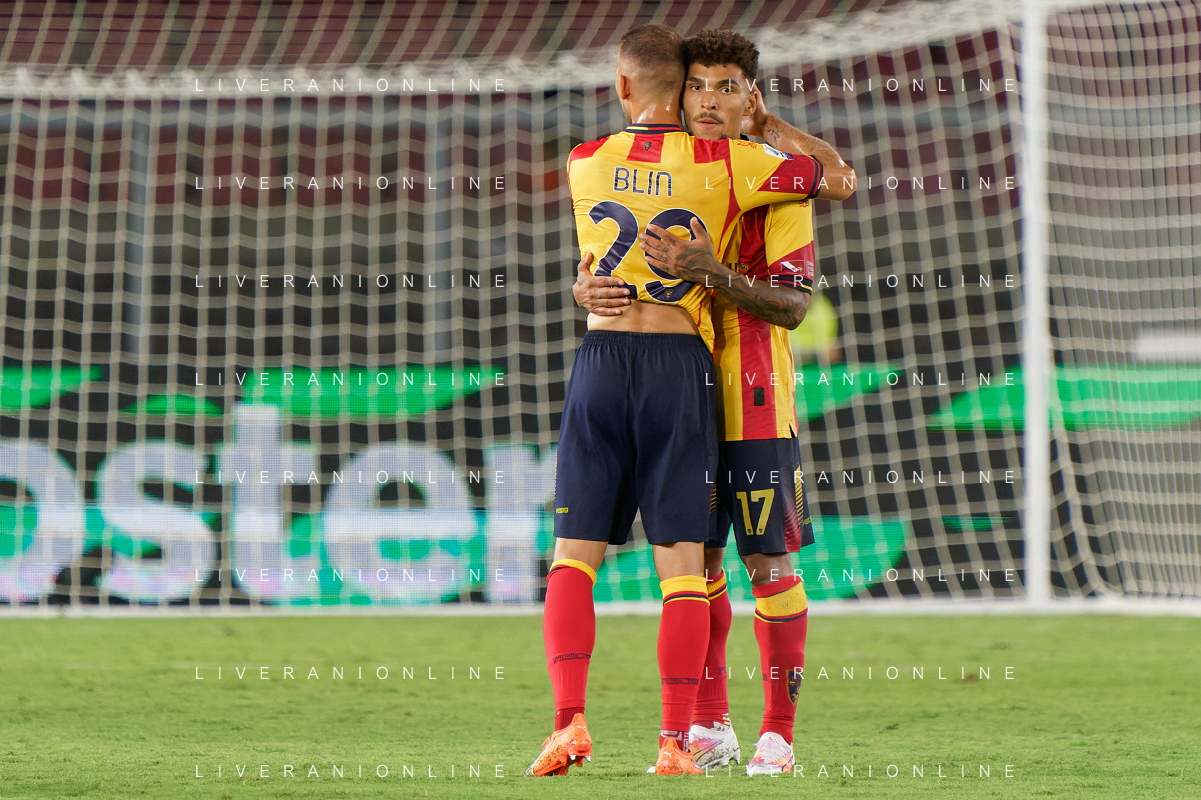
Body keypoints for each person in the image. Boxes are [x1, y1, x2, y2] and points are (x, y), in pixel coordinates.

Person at [529, 22, 856, 778]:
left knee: (767, 561)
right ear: (680, 93)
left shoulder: (771, 179)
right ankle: (707, 726)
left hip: (754, 390)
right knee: (698, 562)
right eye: (698, 86)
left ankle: (777, 734)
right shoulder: (702, 166)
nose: (708, 101)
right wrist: (587, 286)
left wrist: (712, 270)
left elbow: (793, 306)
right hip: (687, 381)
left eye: (726, 89)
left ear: (751, 98)